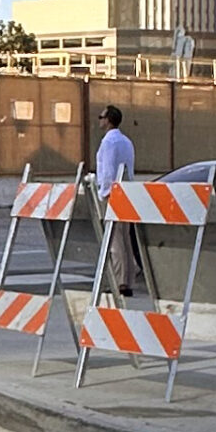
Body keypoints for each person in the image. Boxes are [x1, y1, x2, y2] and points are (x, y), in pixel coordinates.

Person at [93, 105, 140, 293]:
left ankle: (120, 281)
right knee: (125, 238)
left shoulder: (109, 142)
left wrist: (104, 192)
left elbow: (108, 170)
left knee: (114, 239)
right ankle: (128, 278)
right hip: (126, 191)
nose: (99, 120)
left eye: (101, 116)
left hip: (113, 192)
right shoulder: (126, 141)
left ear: (108, 120)